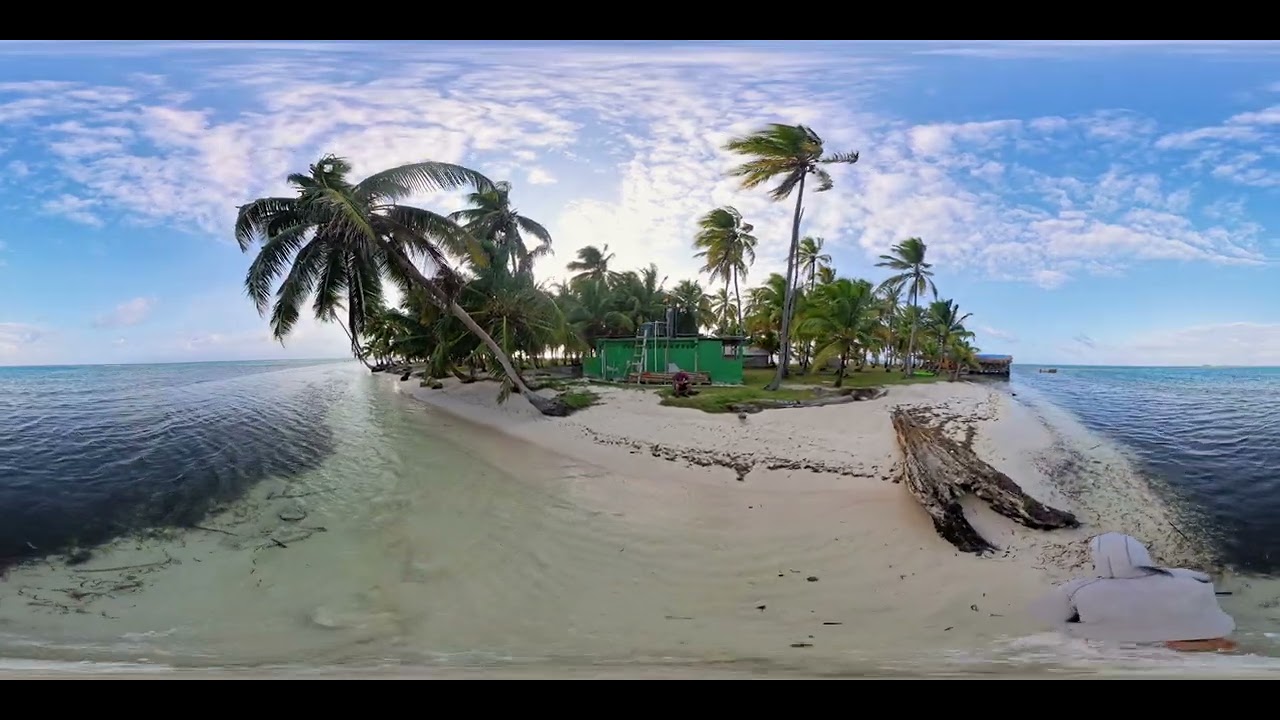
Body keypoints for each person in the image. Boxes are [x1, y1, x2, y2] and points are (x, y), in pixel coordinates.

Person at [1030, 532, 1236, 652]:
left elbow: (1052, 619)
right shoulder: (1190, 578)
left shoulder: (1078, 589)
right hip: (1188, 639)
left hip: (1120, 646)